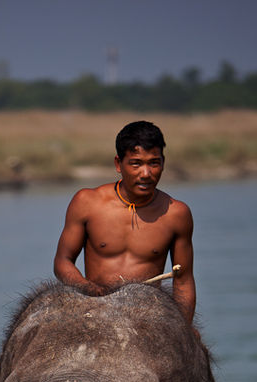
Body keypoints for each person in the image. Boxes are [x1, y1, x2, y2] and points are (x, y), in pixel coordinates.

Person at [53, 120, 196, 323]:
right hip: (94, 309)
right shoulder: (86, 202)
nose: (146, 174)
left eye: (154, 163)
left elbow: (183, 281)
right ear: (118, 164)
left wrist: (184, 327)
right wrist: (90, 290)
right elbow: (62, 261)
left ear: (163, 163)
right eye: (136, 163)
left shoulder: (177, 214)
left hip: (147, 315)